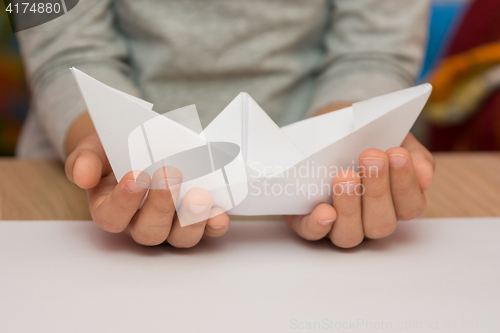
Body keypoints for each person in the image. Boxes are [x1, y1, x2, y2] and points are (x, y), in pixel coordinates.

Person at [15, 0, 435, 248]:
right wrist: (109, 144)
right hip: (80, 183)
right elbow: (61, 46)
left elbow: (374, 49)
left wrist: (342, 145)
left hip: (309, 177)